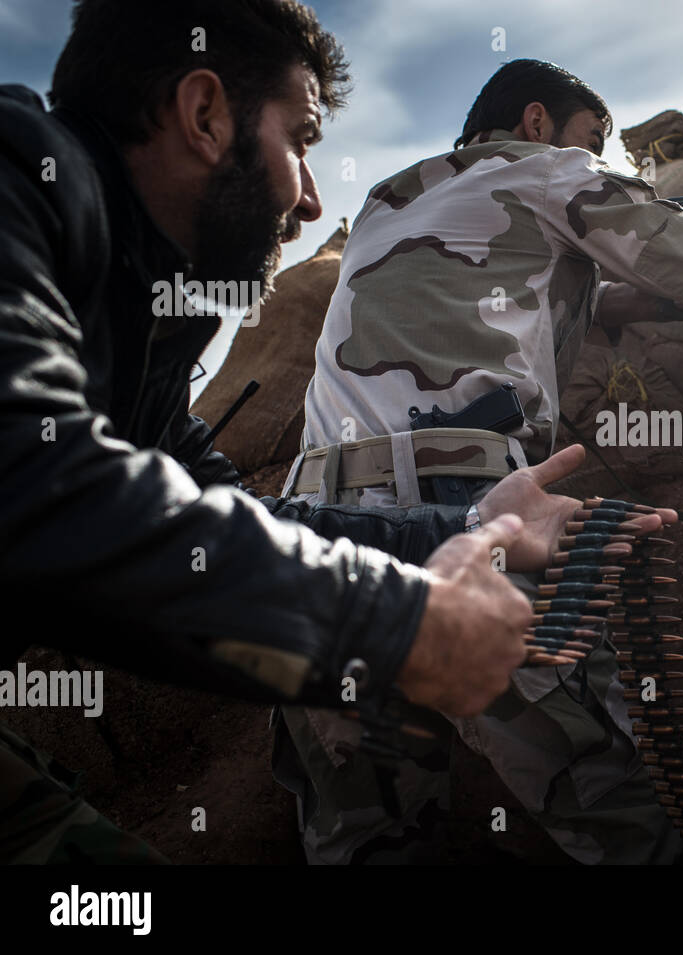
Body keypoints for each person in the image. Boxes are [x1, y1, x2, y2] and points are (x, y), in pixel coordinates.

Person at [0, 1, 644, 864]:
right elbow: (41, 493)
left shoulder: (143, 343)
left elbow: (230, 522)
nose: (309, 198)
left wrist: (461, 528)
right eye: (300, 141)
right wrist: (401, 623)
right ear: (204, 115)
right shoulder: (20, 177)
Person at [276, 58, 683, 865]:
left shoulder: (391, 200)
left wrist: (617, 297)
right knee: (611, 798)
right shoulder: (554, 171)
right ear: (539, 121)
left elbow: (488, 300)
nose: (605, 158)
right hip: (461, 507)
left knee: (364, 829)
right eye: (596, 137)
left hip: (311, 522)